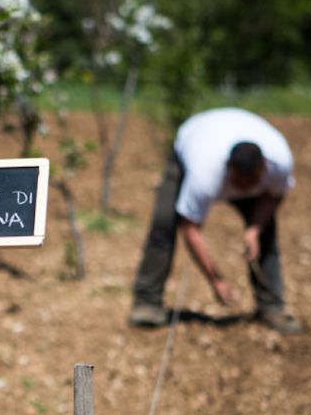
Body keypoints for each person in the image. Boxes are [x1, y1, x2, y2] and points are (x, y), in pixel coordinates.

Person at [129, 107, 301, 334]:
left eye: (250, 183)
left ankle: (271, 307)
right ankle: (147, 302)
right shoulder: (205, 173)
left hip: (238, 128)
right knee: (164, 224)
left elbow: (275, 195)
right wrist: (216, 280)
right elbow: (190, 228)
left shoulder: (280, 162)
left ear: (264, 169)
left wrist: (254, 229)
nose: (243, 189)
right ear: (228, 169)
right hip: (192, 138)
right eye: (238, 182)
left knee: (266, 235)